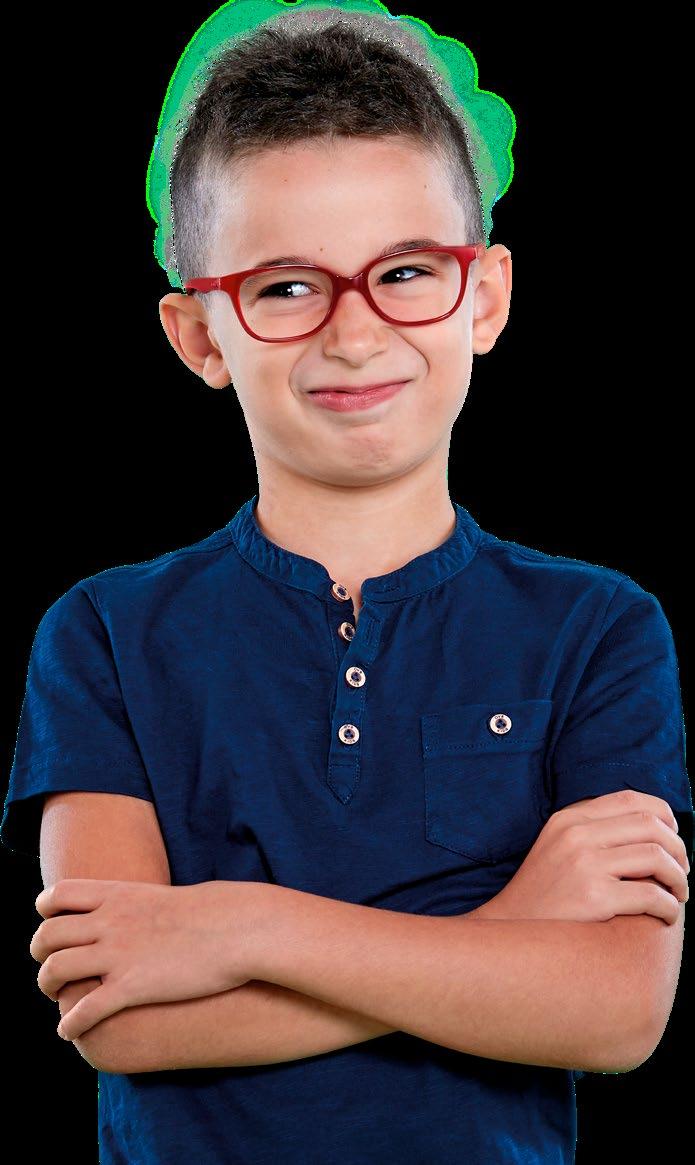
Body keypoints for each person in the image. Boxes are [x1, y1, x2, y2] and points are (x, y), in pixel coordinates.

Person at [2, 5, 692, 1163]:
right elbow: (119, 1015)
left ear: (484, 297)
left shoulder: (597, 629)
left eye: (405, 272)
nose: (355, 335)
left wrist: (236, 927)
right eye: (284, 287)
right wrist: (511, 927)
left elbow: (612, 1010)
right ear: (199, 335)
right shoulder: (105, 634)